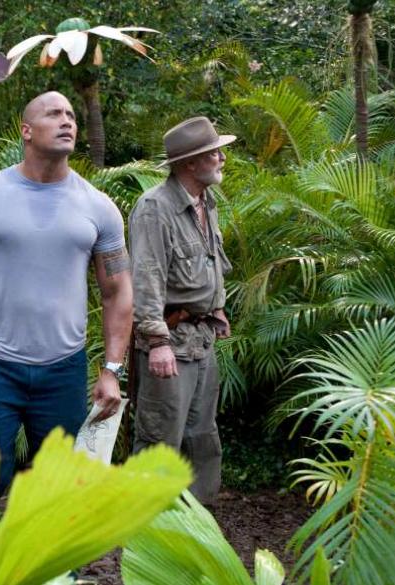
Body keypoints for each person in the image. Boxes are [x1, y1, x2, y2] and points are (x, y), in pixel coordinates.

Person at [0, 91, 133, 506]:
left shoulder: (99, 207)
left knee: (58, 494)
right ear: (26, 131)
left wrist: (112, 370)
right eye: (54, 114)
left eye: (71, 115)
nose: (67, 121)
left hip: (64, 370)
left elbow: (118, 292)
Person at [128, 116, 235, 504]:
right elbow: (147, 276)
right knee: (160, 438)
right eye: (214, 153)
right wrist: (157, 342)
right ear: (190, 163)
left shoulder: (206, 203)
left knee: (202, 436)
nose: (222, 158)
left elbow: (208, 263)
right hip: (170, 343)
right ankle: (146, 523)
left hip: (201, 340)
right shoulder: (155, 208)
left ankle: (197, 521)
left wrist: (217, 308)